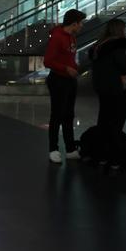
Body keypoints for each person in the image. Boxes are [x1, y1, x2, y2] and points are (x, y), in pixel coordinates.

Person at [43, 9, 86, 164]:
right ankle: (53, 149)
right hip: (58, 80)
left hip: (69, 80)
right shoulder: (57, 37)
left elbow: (69, 57)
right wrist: (66, 68)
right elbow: (48, 61)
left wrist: (73, 67)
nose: (82, 26)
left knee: (68, 114)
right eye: (80, 23)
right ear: (74, 23)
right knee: (57, 115)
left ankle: (70, 149)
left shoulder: (72, 38)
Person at [88, 19, 126, 169]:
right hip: (116, 88)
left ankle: (101, 155)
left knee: (104, 120)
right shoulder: (117, 45)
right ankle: (115, 158)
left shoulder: (99, 46)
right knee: (116, 122)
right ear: (120, 30)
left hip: (102, 88)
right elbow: (123, 66)